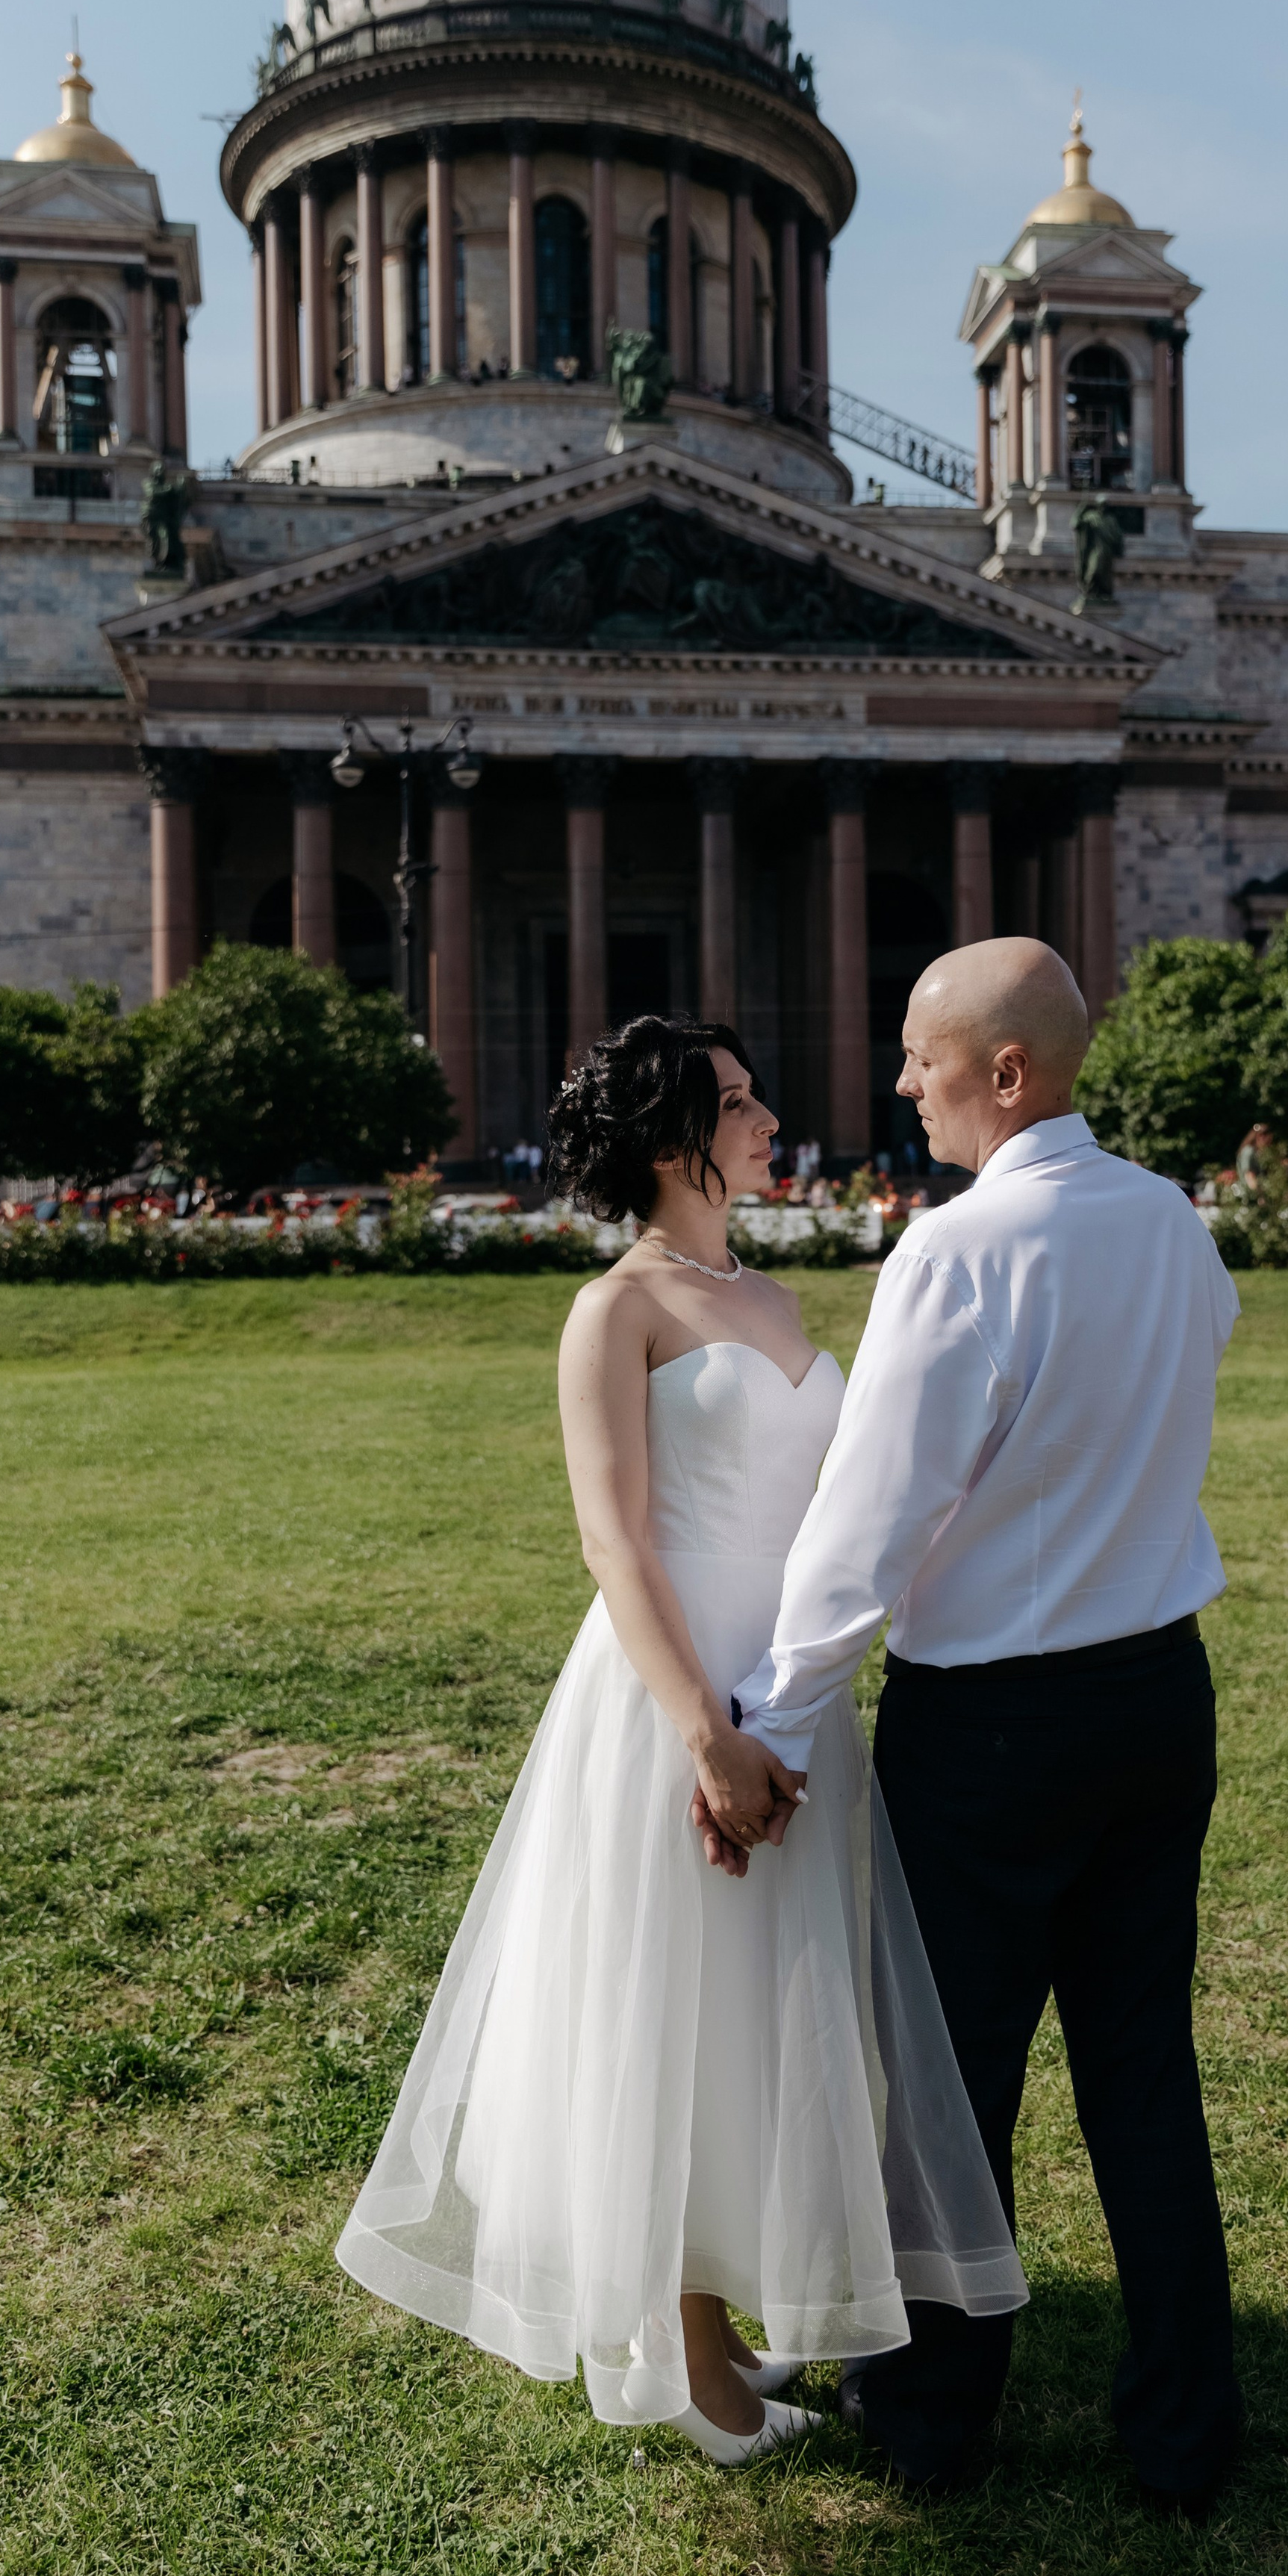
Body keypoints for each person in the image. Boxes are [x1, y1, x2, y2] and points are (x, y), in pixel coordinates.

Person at [337, 1016, 1024, 2465]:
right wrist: (698, 1734)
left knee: (758, 2016)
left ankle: (716, 2310)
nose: (769, 1116)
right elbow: (611, 1538)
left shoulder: (768, 1295)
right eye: (737, 1101)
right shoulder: (617, 1309)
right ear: (670, 1144)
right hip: (672, 1698)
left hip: (790, 1699)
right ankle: (688, 2361)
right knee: (671, 2014)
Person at [729, 939, 1243, 2512]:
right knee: (1141, 2073)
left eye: (916, 1055)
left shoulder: (953, 1255)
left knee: (951, 2085)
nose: (899, 1083)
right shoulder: (1166, 1220)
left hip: (996, 1727)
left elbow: (864, 1528)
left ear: (1001, 1074)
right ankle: (1182, 2432)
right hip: (1155, 1691)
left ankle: (937, 2419)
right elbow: (1203, 1354)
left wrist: (773, 1722)